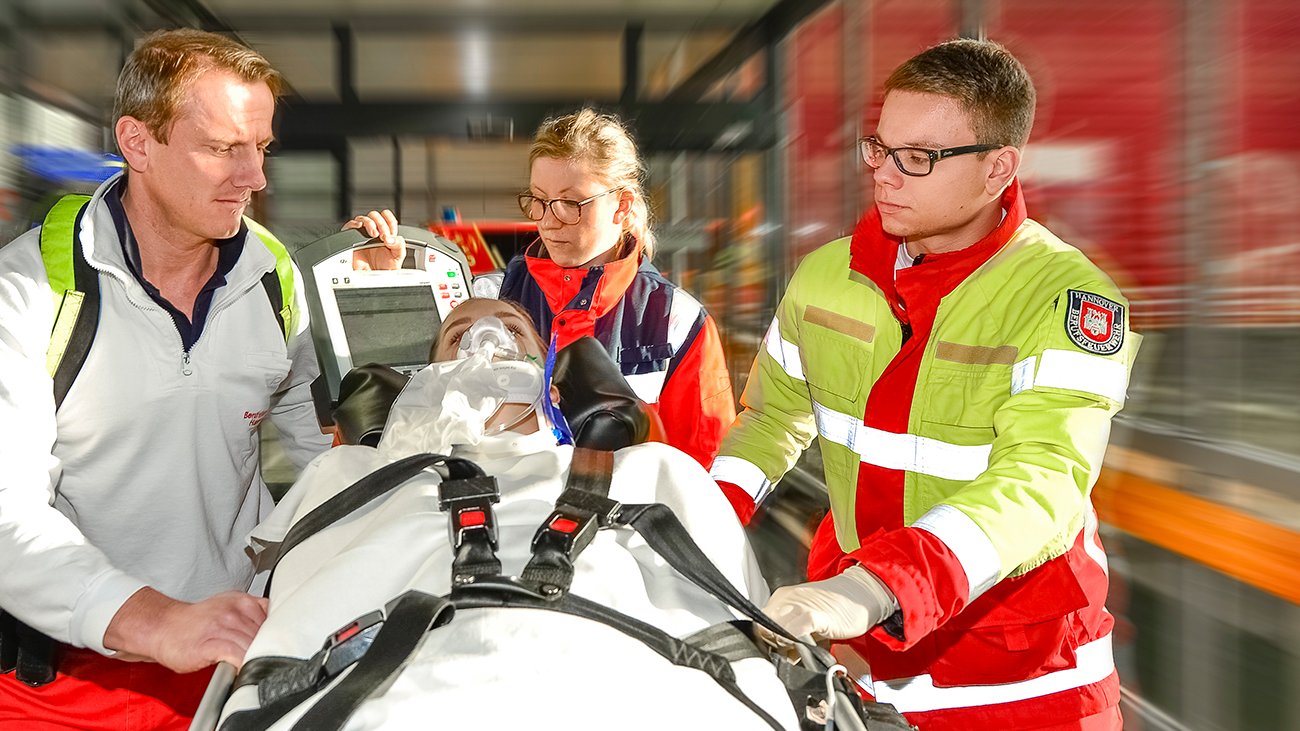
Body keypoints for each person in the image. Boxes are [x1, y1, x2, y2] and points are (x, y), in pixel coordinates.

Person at [710, 39, 1141, 730]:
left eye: (920, 158)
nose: (884, 176)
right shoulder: (824, 277)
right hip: (858, 660)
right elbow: (769, 421)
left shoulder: (1068, 302)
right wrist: (704, 518)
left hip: (1023, 685)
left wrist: (872, 585)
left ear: (999, 168)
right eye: (878, 148)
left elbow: (1043, 482)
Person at [218, 297, 797, 730]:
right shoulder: (345, 477)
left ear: (552, 378)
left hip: (635, 692)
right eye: (458, 334)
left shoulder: (651, 471)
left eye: (513, 331)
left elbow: (742, 620)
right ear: (422, 379)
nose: (485, 342)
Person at [0, 29, 335, 728]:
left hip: (232, 657)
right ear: (138, 143)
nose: (256, 177)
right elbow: (6, 514)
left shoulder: (276, 280)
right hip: (61, 677)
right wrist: (157, 621)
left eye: (261, 147)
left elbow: (319, 461)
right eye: (222, 148)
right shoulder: (29, 290)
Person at [474, 108, 736, 469]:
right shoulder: (489, 300)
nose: (548, 222)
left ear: (622, 205)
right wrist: (381, 279)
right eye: (539, 200)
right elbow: (419, 414)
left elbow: (705, 467)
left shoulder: (677, 321)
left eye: (570, 203)